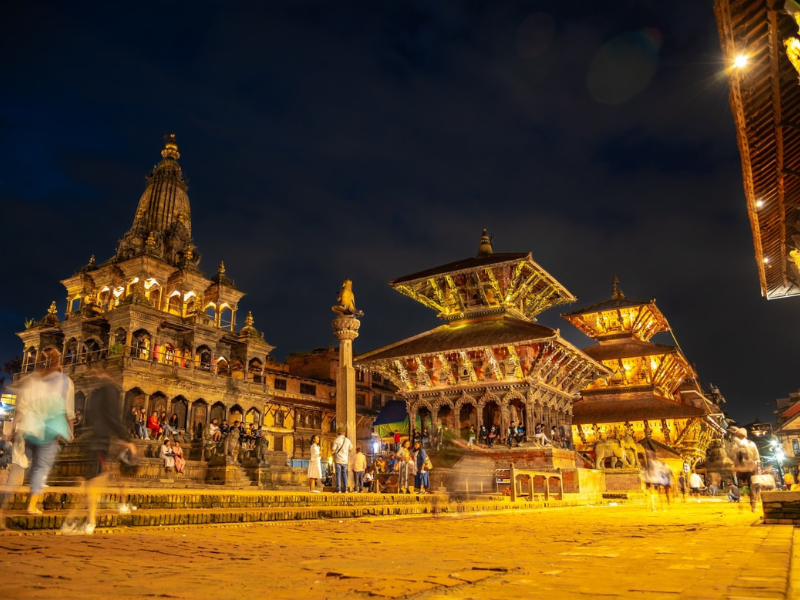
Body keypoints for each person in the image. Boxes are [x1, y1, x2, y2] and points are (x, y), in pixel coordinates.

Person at [61, 375, 137, 535]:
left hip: (91, 442)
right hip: (99, 443)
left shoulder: (94, 394)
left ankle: (84, 521)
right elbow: (112, 418)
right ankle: (82, 521)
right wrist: (126, 439)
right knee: (93, 486)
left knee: (91, 485)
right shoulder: (109, 391)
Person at [14, 347, 75, 514]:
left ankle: (6, 505)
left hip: (30, 428)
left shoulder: (32, 379)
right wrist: (71, 430)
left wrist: (14, 428)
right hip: (49, 430)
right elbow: (69, 411)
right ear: (59, 362)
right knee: (41, 468)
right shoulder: (65, 381)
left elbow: (21, 406)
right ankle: (31, 505)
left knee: (23, 463)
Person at [729, 426, 760, 512]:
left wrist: (733, 468)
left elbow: (733, 458)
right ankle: (752, 506)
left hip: (741, 470)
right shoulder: (751, 444)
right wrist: (758, 469)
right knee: (751, 488)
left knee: (742, 487)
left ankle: (743, 503)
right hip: (750, 469)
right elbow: (757, 458)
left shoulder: (735, 445)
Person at [331, 428, 352, 493]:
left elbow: (333, 450)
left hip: (338, 459)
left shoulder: (336, 440)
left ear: (338, 433)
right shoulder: (348, 440)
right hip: (345, 460)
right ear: (343, 433)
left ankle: (338, 489)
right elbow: (351, 448)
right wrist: (346, 453)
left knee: (338, 474)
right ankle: (345, 489)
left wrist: (331, 454)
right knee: (344, 474)